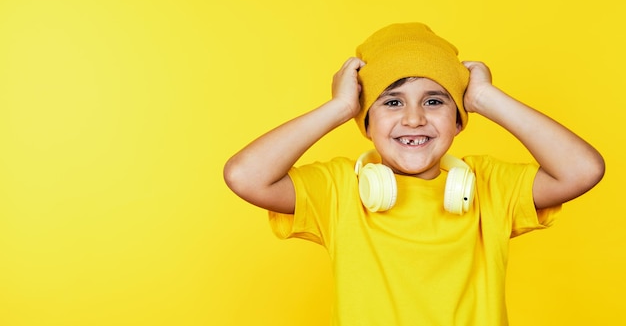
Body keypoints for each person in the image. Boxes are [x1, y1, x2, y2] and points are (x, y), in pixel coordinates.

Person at [223, 22, 605, 325]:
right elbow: (245, 175)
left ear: (459, 121)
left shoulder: (489, 186)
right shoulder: (339, 190)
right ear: (366, 122)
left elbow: (582, 169)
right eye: (391, 102)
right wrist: (339, 108)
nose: (414, 118)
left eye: (435, 101)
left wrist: (487, 98)